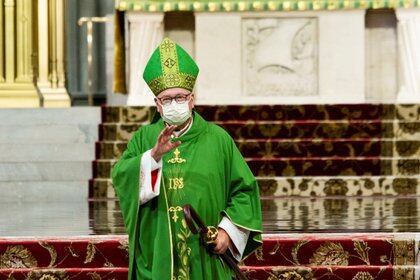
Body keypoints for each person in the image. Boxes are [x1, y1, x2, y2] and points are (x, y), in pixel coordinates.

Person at [111, 38, 262, 280]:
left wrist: (226, 232)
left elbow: (244, 191)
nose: (174, 104)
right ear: (157, 105)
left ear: (192, 99)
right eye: (167, 99)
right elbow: (121, 179)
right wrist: (153, 157)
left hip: (206, 255)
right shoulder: (143, 139)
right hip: (158, 254)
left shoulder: (218, 139)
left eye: (180, 97)